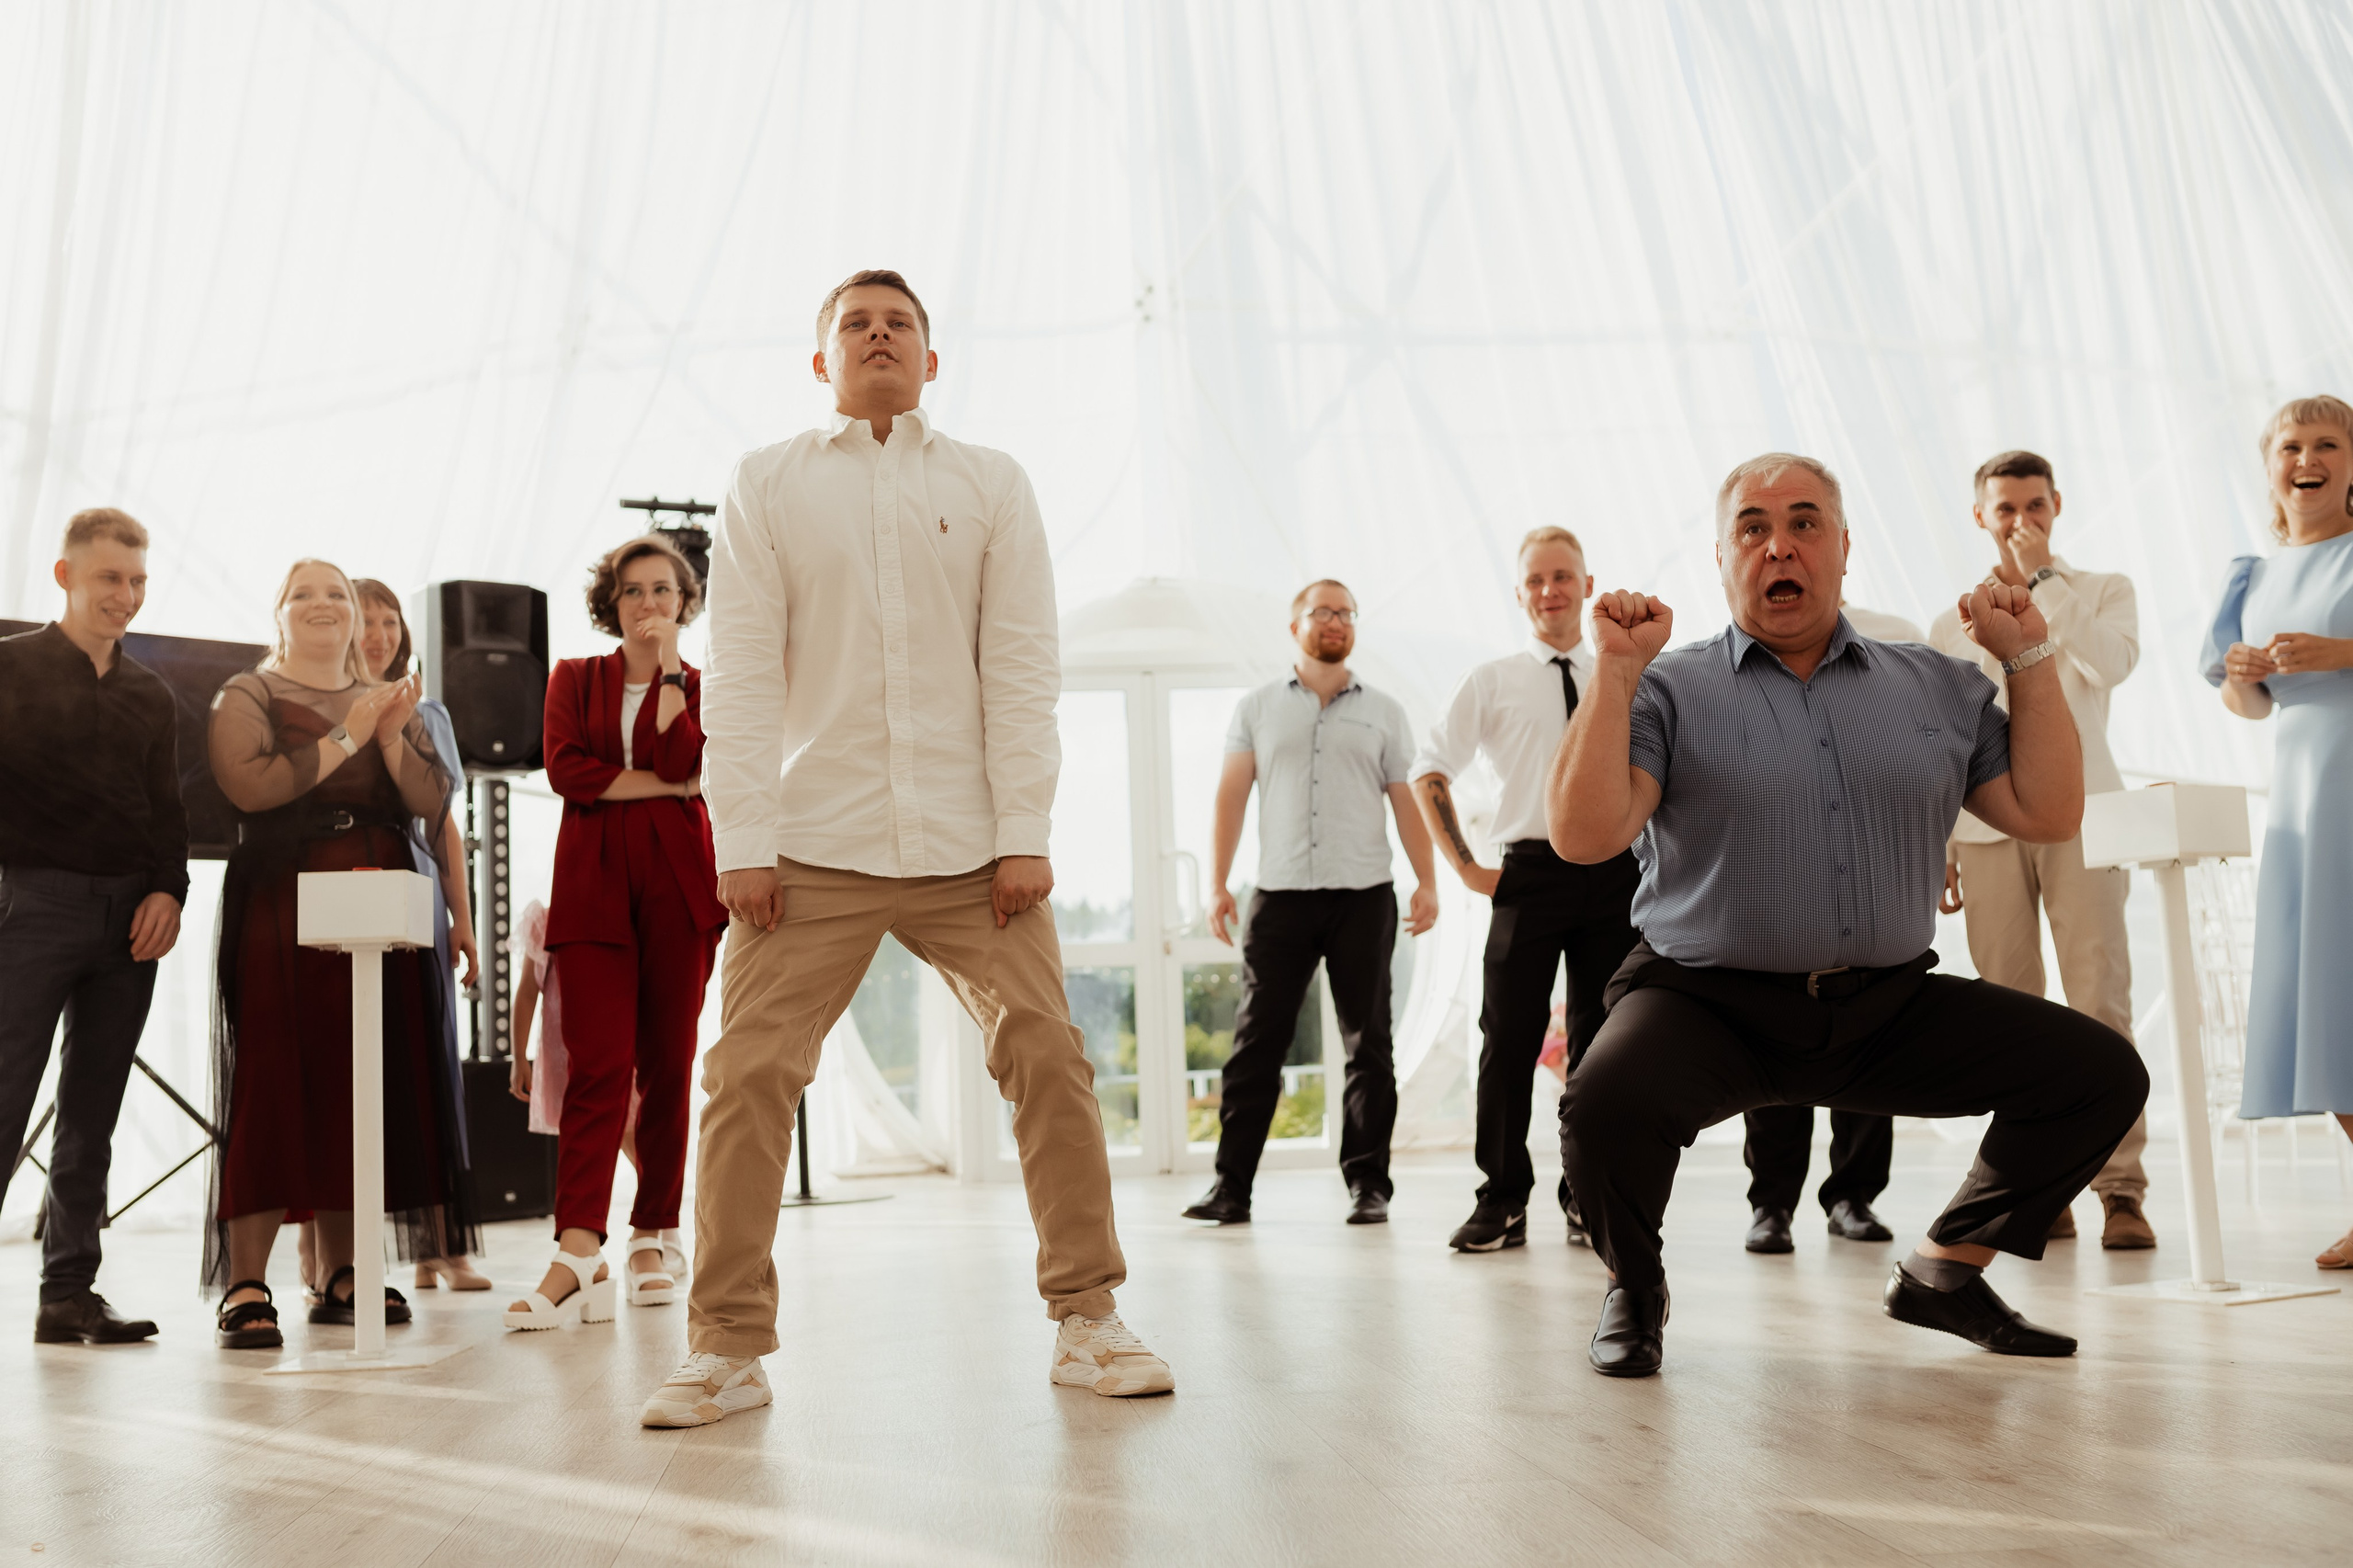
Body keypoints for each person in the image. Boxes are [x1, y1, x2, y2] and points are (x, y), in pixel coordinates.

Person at [642, 267, 1172, 1426]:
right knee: (742, 1076)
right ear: (821, 359)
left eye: (901, 326)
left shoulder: (990, 482)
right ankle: (725, 1345)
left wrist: (1024, 833)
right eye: (855, 325)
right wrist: (744, 840)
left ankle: (1088, 1318)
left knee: (1048, 1056)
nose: (878, 337)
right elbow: (737, 676)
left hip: (975, 849)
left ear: (931, 360)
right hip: (812, 842)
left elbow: (1022, 663)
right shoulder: (766, 483)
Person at [1549, 453, 2147, 1378]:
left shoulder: (1933, 685)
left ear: (1840, 548)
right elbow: (1584, 835)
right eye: (1752, 527)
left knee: (2098, 1071)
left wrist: (2028, 656)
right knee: (1602, 1099)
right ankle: (1635, 1283)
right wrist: (1615, 670)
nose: (1778, 544)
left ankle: (1944, 1271)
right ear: (1721, 556)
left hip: (1884, 1006)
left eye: (1803, 522)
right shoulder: (1670, 687)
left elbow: (2047, 811)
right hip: (1705, 1000)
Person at [204, 559, 477, 1350]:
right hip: (281, 906)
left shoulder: (398, 700)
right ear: (279, 613)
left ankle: (343, 1271)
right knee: (273, 1080)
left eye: (338, 595)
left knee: (363, 1084)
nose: (324, 604)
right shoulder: (247, 693)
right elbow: (248, 787)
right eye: (304, 594)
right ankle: (246, 1281)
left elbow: (431, 804)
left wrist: (390, 733)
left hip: (378, 905)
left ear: (360, 621)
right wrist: (349, 731)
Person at [1930, 451, 2151, 1250]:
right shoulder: (1947, 622)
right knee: (2009, 1013)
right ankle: (2037, 1186)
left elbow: (2110, 663)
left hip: (2086, 822)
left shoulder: (2100, 591)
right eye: (2004, 509)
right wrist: (1944, 841)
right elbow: (1947, 743)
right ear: (1980, 515)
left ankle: (2121, 1191)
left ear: (2057, 505)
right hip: (1987, 831)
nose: (2020, 520)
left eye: (2033, 506)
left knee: (2100, 1000)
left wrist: (2046, 578)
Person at [506, 535, 725, 1331]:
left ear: (682, 603)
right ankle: (576, 1251)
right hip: (592, 889)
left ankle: (654, 1235)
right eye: (632, 592)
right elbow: (568, 770)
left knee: (669, 1064)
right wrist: (664, 785)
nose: (647, 604)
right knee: (598, 1065)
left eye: (662, 591)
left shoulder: (703, 686)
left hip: (680, 886)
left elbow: (683, 754)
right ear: (612, 603)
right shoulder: (574, 678)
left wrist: (670, 677)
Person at [1185, 581, 1438, 1228]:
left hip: (1363, 897)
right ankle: (1231, 1189)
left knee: (1369, 1046)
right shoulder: (1257, 708)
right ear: (1295, 623)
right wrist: (1216, 882)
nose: (1338, 621)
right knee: (1255, 1045)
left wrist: (1427, 879)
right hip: (1280, 897)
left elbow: (1405, 801)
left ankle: (1368, 1186)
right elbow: (1230, 797)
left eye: (1347, 612)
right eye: (1324, 611)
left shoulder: (1383, 710)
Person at [1410, 527, 1632, 1251]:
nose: (1550, 591)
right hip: (1528, 874)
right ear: (1519, 594)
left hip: (1614, 876)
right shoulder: (1494, 679)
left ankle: (1586, 1194)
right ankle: (1500, 1199)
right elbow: (1429, 767)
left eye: (1563, 576)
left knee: (1602, 1047)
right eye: (1536, 580)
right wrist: (1468, 869)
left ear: (1587, 584)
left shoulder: (1622, 674)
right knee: (1507, 1038)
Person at [0, 508, 185, 1346]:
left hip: (129, 925)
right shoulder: (6, 669)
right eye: (111, 577)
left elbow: (167, 815)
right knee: (4, 1099)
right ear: (65, 576)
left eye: (138, 580)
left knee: (92, 1114)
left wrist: (168, 892)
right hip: (28, 908)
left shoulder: (153, 695)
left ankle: (68, 1294)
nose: (127, 595)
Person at [2203, 395, 2353, 1270]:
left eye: (2327, 443)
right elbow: (2247, 710)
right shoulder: (2249, 579)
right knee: (2326, 1003)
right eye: (2290, 445)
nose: (2308, 457)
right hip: (2303, 803)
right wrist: (2240, 674)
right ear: (2270, 468)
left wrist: (2341, 655)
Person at [1733, 598, 1926, 1257]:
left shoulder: (1897, 639)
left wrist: (1940, 849)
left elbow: (1924, 764)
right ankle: (1772, 1206)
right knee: (1775, 1049)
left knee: (1870, 1041)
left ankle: (1853, 1196)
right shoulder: (1740, 653)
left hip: (1870, 872)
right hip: (1776, 876)